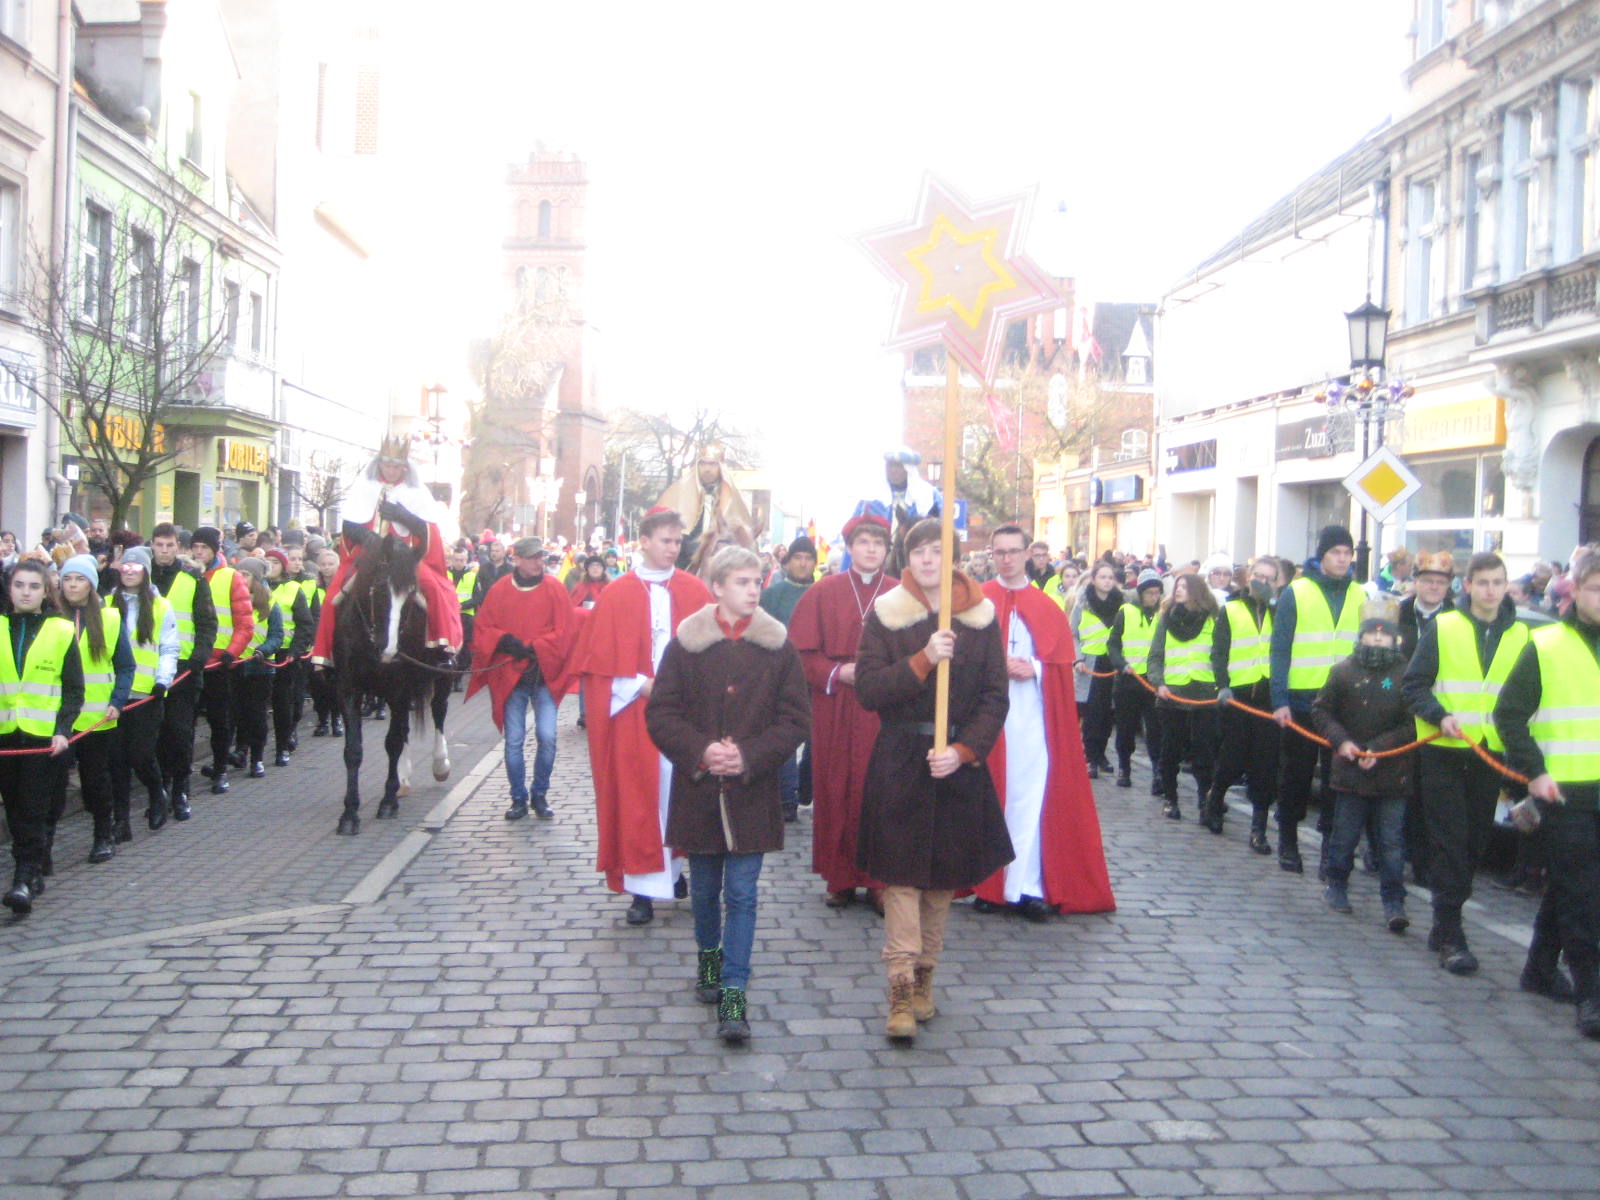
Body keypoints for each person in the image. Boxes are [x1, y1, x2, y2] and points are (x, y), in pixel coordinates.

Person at [854, 518, 1013, 1040]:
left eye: (936, 551)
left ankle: (926, 979)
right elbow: (871, 690)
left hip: (954, 761)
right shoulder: (885, 616)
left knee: (941, 880)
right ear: (908, 557)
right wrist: (923, 659)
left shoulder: (980, 618)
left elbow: (995, 696)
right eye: (918, 551)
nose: (927, 560)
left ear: (951, 558)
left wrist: (966, 750)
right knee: (901, 879)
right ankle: (899, 992)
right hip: (902, 756)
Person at [646, 546, 810, 1042]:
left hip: (752, 793)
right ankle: (709, 964)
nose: (754, 589)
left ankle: (735, 995)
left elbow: (795, 719)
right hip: (699, 793)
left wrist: (751, 755)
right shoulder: (685, 645)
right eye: (742, 582)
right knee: (704, 892)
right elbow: (661, 714)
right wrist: (701, 751)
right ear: (717, 587)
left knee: (742, 894)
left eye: (757, 581)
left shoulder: (778, 647)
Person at [568, 509, 712, 925]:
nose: (673, 547)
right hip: (635, 713)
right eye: (665, 540)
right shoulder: (618, 593)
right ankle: (642, 891)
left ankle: (676, 872)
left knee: (683, 793)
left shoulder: (694, 589)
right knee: (639, 797)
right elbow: (597, 668)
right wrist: (640, 685)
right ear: (644, 542)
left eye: (677, 540)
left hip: (687, 715)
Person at [973, 525, 1114, 920]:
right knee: (991, 798)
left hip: (1031, 719)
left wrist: (1032, 667)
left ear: (1028, 555)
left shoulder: (1045, 605)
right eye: (999, 552)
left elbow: (1058, 666)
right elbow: (962, 660)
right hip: (988, 719)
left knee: (1030, 797)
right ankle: (991, 885)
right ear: (992, 554)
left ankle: (1028, 887)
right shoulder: (978, 602)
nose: (1006, 559)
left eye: (1013, 551)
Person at [1402, 551, 1529, 975]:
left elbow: (1530, 698)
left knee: (1475, 841)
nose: (1491, 590)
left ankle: (1444, 921)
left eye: (1498, 582)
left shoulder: (1521, 635)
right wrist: (1441, 715)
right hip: (1443, 750)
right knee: (1450, 841)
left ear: (1506, 586)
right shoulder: (1445, 626)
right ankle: (1451, 932)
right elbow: (1414, 685)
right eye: (1483, 582)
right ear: (1468, 586)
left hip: (1490, 752)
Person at [1493, 555, 1600, 1039]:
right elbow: (1509, 714)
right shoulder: (1548, 644)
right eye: (1596, 589)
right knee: (1585, 898)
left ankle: (1538, 969)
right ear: (1574, 590)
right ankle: (1592, 993)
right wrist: (1533, 773)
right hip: (1565, 793)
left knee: (1569, 888)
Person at [787, 512, 893, 909]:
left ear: (886, 549)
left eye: (878, 544)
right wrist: (837, 672)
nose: (871, 550)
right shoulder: (823, 591)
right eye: (864, 543)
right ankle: (840, 876)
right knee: (835, 787)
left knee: (881, 790)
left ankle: (880, 880)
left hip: (885, 707)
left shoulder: (901, 592)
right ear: (850, 549)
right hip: (836, 705)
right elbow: (800, 653)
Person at [310, 438, 462, 668]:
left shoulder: (417, 492)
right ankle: (326, 654)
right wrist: (366, 536)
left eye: (396, 466)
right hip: (367, 556)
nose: (391, 470)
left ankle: (442, 648)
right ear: (379, 464)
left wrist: (405, 517)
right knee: (333, 598)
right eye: (387, 465)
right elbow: (349, 524)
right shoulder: (363, 487)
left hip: (404, 557)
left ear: (405, 467)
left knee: (433, 589)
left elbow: (427, 530)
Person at [1312, 601, 1414, 931]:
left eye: (1383, 639)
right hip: (1350, 770)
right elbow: (1322, 711)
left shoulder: (1406, 676)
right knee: (1344, 835)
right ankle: (1337, 883)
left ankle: (1394, 901)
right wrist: (1341, 741)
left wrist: (1379, 749)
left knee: (1391, 842)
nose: (1377, 643)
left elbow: (1414, 724)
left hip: (1391, 772)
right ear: (1361, 639)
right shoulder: (1342, 672)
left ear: (1395, 642)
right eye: (1371, 637)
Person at [1270, 524, 1363, 873]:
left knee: (1336, 782)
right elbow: (1279, 649)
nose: (1342, 559)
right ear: (1322, 556)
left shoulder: (1360, 595)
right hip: (1302, 700)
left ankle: (1329, 849)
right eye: (1335, 553)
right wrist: (1279, 698)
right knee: (1296, 775)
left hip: (1344, 704)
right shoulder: (1298, 591)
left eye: (1346, 553)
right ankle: (1288, 842)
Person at [468, 536, 577, 822]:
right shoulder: (500, 589)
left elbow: (566, 631)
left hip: (542, 676)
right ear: (517, 559)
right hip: (511, 677)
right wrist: (504, 640)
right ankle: (518, 798)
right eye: (533, 557)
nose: (539, 562)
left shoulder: (554, 588)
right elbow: (483, 628)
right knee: (513, 741)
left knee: (548, 737)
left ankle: (539, 794)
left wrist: (535, 647)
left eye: (541, 556)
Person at [0, 560, 83, 912]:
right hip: (5, 737)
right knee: (14, 809)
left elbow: (74, 690)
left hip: (42, 738)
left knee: (32, 809)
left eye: (33, 586)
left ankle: (24, 876)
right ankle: (29, 868)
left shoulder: (61, 630)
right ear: (10, 589)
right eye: (19, 585)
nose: (25, 592)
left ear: (45, 591)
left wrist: (63, 730)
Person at [55, 554, 134, 863]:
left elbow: (125, 666)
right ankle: (42, 850)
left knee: (95, 782)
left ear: (92, 585)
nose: (73, 585)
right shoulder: (52, 617)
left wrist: (117, 702)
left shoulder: (109, 618)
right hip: (57, 717)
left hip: (96, 717)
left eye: (80, 579)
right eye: (68, 579)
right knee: (54, 786)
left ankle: (103, 835)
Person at [1208, 555, 1282, 850]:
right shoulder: (1232, 608)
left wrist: (1275, 605)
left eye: (1269, 578)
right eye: (1258, 576)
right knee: (1233, 757)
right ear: (1249, 576)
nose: (1262, 582)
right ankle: (1215, 801)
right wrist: (1223, 686)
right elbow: (1219, 651)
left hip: (1268, 696)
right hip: (1238, 695)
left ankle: (1259, 829)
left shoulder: (1280, 611)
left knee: (1265, 765)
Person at [108, 546, 180, 832]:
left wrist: (163, 680)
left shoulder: (161, 606)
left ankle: (157, 793)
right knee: (116, 760)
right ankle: (121, 820)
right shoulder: (106, 603)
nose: (129, 571)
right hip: (112, 694)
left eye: (135, 567)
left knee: (140, 754)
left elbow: (169, 647)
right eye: (125, 566)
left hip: (147, 692)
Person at [149, 523, 217, 819]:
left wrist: (198, 660)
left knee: (179, 733)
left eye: (169, 545)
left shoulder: (192, 578)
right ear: (152, 545)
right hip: (147, 668)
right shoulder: (141, 576)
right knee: (154, 735)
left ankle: (180, 789)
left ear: (178, 546)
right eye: (159, 545)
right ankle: (159, 789)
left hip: (183, 669)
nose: (164, 551)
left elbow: (206, 623)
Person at [1147, 572, 1220, 822]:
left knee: (1204, 752)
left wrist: (1221, 686)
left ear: (1197, 592)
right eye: (1177, 586)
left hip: (1204, 694)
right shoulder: (1166, 618)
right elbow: (1155, 655)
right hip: (1172, 695)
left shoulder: (1213, 619)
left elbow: (1220, 655)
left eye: (1185, 587)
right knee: (1171, 749)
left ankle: (1204, 801)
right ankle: (1170, 798)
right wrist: (1159, 683)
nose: (1178, 590)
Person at [191, 526, 255, 794]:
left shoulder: (231, 577)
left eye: (203, 548)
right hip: (190, 663)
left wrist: (232, 652)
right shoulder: (185, 577)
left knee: (220, 720)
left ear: (214, 550)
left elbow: (244, 623)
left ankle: (220, 769)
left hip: (221, 663)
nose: (198, 553)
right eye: (194, 548)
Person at [758, 535, 818, 822]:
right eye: (798, 557)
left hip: (816, 679)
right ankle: (787, 798)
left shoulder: (823, 593)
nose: (803, 563)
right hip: (780, 677)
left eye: (808, 558)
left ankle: (806, 786)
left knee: (815, 740)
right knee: (785, 740)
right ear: (788, 560)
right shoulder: (772, 595)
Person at [656, 443, 758, 576]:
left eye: (712, 464)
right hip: (684, 560)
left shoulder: (731, 498)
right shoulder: (679, 492)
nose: (707, 469)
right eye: (703, 464)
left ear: (720, 467)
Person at [1107, 569, 1165, 792]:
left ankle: (1157, 772)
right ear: (1140, 593)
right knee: (1125, 728)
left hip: (1153, 681)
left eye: (1157, 592)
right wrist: (1122, 665)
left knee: (1155, 729)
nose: (1153, 597)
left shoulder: (1164, 614)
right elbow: (1112, 644)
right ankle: (1124, 768)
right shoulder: (1126, 611)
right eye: (1150, 592)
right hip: (1128, 680)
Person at [230, 557, 285, 778]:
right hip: (235, 666)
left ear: (257, 578)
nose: (241, 579)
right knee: (236, 713)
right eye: (239, 573)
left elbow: (277, 635)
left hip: (260, 668)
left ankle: (257, 758)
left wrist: (263, 651)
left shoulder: (270, 605)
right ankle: (240, 751)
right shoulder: (231, 600)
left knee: (257, 714)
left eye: (246, 575)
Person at [1071, 560, 1122, 776]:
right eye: (1102, 577)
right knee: (1091, 712)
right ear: (1093, 579)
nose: (1107, 581)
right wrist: (1078, 658)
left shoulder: (1121, 604)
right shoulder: (1082, 604)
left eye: (1110, 577)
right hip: (1090, 664)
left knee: (1108, 713)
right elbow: (1073, 633)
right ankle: (1089, 756)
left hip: (1113, 662)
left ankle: (1101, 754)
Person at [265, 549, 311, 766]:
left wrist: (295, 651)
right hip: (258, 653)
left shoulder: (293, 589)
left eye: (275, 562)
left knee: (283, 703)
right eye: (267, 561)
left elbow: (305, 624)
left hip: (285, 654)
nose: (271, 565)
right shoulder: (254, 586)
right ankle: (245, 749)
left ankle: (282, 746)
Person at [879, 448, 941, 576]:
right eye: (890, 466)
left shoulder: (930, 496)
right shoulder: (872, 498)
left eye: (899, 466)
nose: (893, 470)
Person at [307, 547, 342, 738]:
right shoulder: (314, 588)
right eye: (323, 564)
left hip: (339, 642)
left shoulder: (344, 587)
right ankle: (322, 720)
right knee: (319, 684)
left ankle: (337, 719)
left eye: (331, 564)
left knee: (337, 683)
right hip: (318, 642)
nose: (327, 568)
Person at [1398, 551, 1453, 661]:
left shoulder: (1457, 617)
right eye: (1428, 581)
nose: (1434, 587)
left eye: (1441, 582)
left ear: (1448, 585)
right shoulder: (1397, 614)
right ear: (1415, 582)